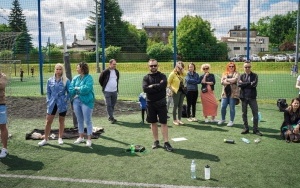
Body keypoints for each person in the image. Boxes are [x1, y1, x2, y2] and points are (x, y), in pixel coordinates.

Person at [142, 59, 173, 152]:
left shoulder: (162, 75)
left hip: (161, 102)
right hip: (150, 103)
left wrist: (152, 86)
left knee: (163, 123)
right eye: (151, 66)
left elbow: (163, 85)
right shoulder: (146, 77)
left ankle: (166, 142)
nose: (153, 67)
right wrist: (157, 87)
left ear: (157, 66)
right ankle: (156, 141)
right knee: (153, 123)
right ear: (149, 67)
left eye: (155, 65)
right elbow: (145, 89)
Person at [38, 63, 70, 146]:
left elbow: (70, 92)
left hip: (62, 103)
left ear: (62, 70)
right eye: (57, 69)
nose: (58, 71)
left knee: (61, 121)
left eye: (60, 69)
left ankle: (60, 138)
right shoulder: (50, 80)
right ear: (54, 70)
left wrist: (66, 99)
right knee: (48, 121)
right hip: (52, 103)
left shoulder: (66, 80)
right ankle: (45, 139)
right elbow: (48, 92)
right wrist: (48, 100)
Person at [69, 62, 95, 147]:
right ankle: (81, 137)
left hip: (87, 101)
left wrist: (77, 88)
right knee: (79, 120)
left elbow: (87, 89)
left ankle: (89, 139)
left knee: (87, 120)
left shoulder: (89, 78)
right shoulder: (75, 78)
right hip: (76, 101)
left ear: (82, 69)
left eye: (78, 68)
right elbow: (71, 88)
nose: (76, 69)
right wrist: (76, 89)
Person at [238, 61, 262, 136]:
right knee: (244, 113)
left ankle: (255, 129)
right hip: (243, 97)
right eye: (246, 67)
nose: (247, 68)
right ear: (243, 68)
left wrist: (244, 83)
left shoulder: (255, 75)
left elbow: (254, 85)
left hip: (252, 97)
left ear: (250, 67)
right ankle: (246, 128)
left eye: (249, 67)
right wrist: (249, 83)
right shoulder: (241, 76)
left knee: (255, 113)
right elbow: (239, 84)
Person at [218, 62, 240, 127]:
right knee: (223, 106)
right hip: (225, 93)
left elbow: (235, 80)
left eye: (232, 66)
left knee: (232, 108)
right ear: (228, 67)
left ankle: (231, 121)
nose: (231, 67)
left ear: (234, 67)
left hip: (233, 94)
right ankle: (222, 119)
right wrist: (229, 81)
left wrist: (227, 80)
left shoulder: (237, 73)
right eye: (230, 66)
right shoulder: (224, 73)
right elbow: (222, 82)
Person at [99, 59, 120, 124]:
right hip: (107, 91)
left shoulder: (116, 72)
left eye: (115, 64)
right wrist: (104, 87)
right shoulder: (105, 72)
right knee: (108, 104)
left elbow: (117, 79)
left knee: (113, 104)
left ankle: (110, 116)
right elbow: (100, 80)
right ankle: (111, 117)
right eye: (113, 64)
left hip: (114, 91)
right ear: (110, 64)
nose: (115, 65)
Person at [167, 61, 186, 125]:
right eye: (178, 67)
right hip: (176, 92)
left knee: (180, 106)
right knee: (175, 106)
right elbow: (168, 83)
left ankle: (179, 119)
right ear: (176, 67)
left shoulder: (182, 74)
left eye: (181, 67)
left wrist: (181, 68)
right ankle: (174, 120)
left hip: (182, 91)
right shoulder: (172, 74)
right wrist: (172, 90)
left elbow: (186, 74)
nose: (179, 68)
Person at [0, 71, 9, 158]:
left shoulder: (3, 76)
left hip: (1, 105)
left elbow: (1, 85)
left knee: (2, 126)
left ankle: (4, 149)